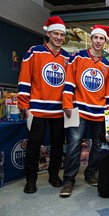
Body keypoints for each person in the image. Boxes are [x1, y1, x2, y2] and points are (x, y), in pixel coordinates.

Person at [59, 24, 109, 198]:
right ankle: (68, 180)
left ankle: (90, 173)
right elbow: (69, 81)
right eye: (96, 38)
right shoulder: (78, 58)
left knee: (98, 146)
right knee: (74, 145)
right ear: (91, 39)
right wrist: (67, 103)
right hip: (79, 109)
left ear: (105, 41)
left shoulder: (107, 64)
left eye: (102, 38)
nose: (98, 41)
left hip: (99, 112)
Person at [17, 16, 70, 194]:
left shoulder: (67, 57)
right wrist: (23, 104)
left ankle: (54, 175)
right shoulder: (34, 52)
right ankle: (30, 179)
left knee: (57, 144)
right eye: (56, 33)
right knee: (34, 144)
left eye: (62, 35)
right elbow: (24, 79)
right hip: (37, 109)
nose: (59, 37)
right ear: (48, 33)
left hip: (58, 110)